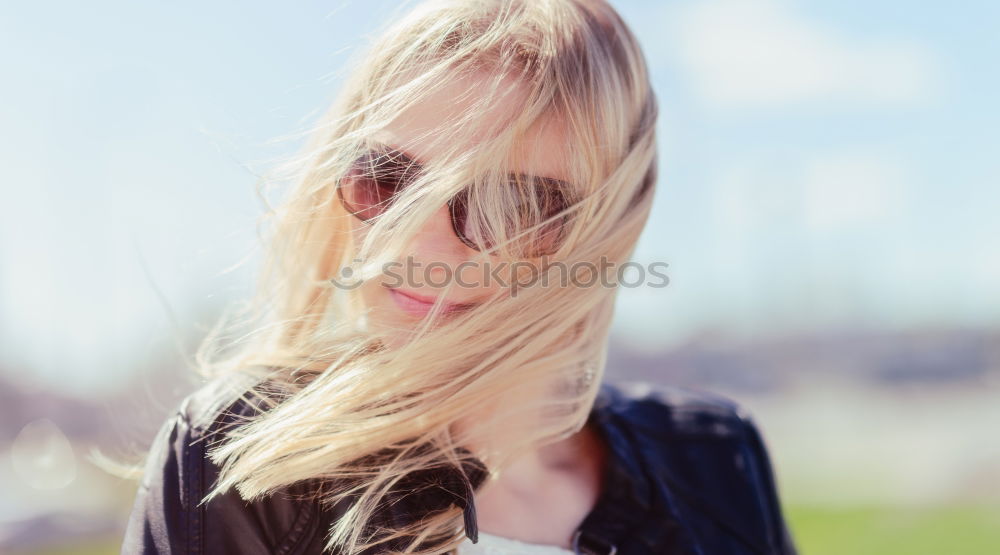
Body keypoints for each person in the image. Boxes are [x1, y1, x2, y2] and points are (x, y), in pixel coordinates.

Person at [119, 0, 797, 553]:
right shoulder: (240, 459)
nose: (418, 244)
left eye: (509, 204)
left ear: (608, 224)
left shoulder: (714, 458)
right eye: (384, 177)